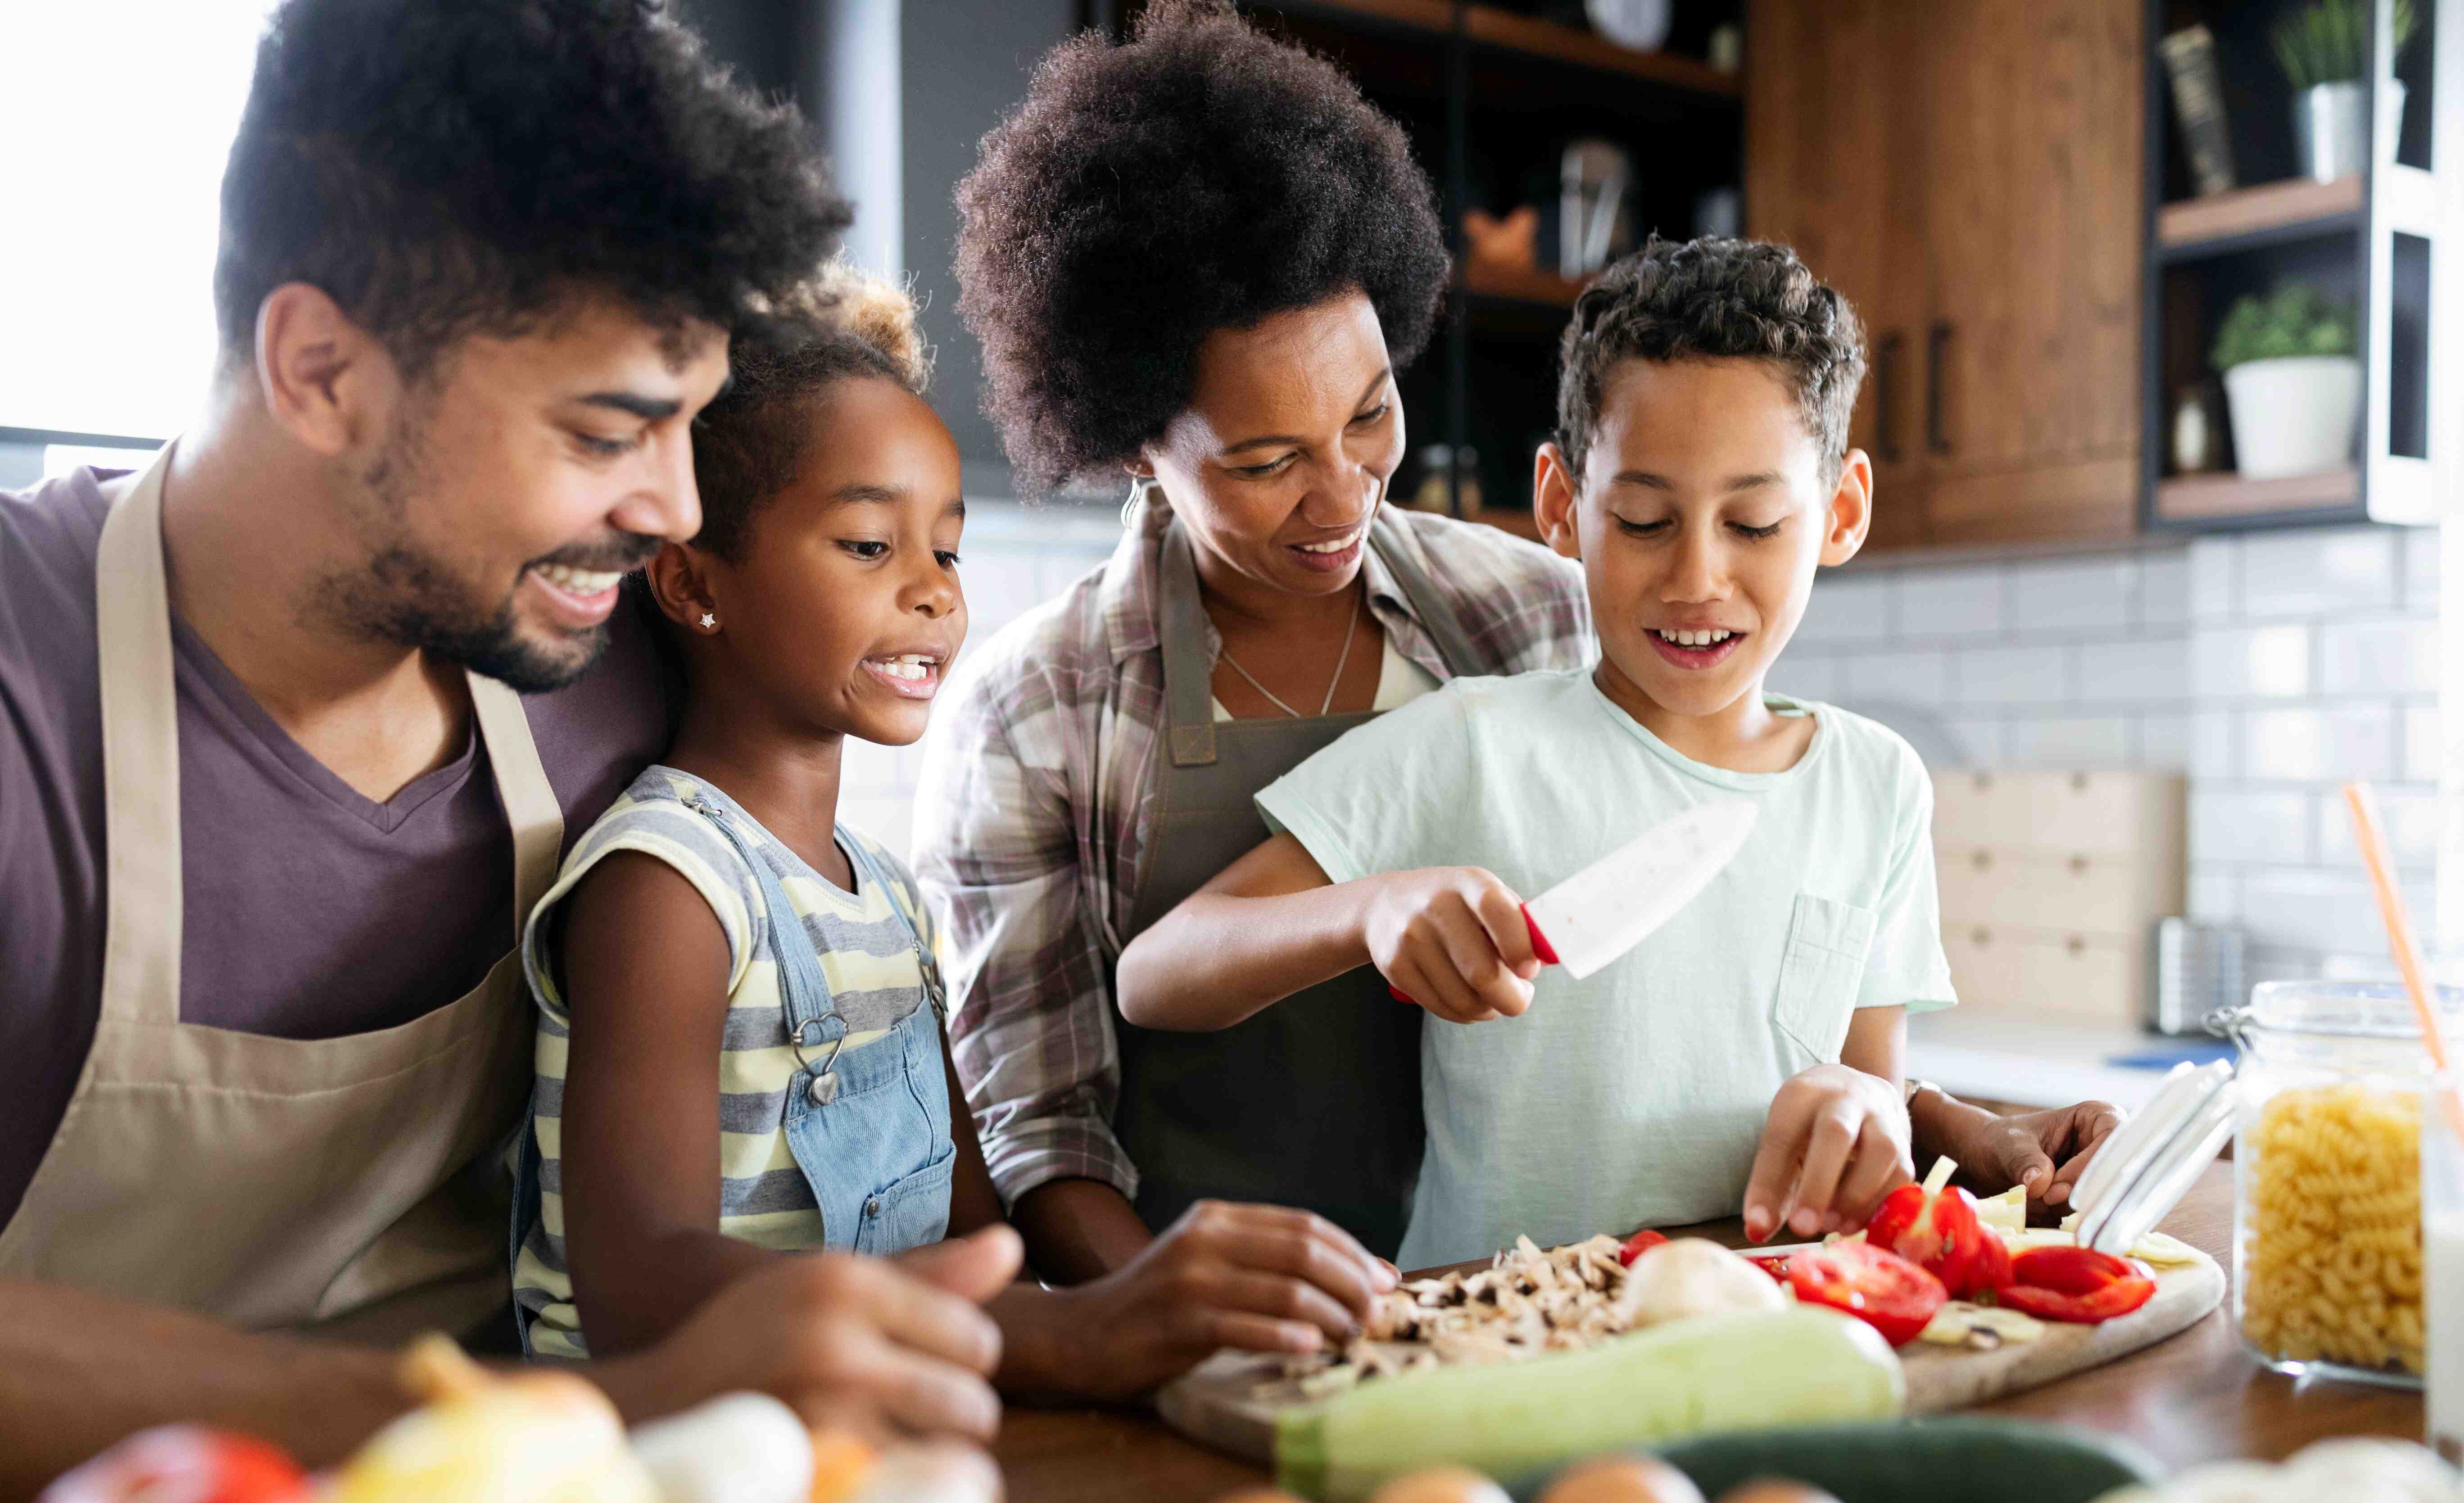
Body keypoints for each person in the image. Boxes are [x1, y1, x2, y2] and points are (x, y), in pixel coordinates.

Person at [0, 2, 1008, 1491]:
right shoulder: (27, 696)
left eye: (693, 428)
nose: (675, 512)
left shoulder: (611, 653)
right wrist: (599, 1401)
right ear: (323, 371)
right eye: (606, 434)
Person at [1115, 237, 2121, 1269]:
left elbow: (1870, 1080)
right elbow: (1156, 974)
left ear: (1843, 513)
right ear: (1562, 505)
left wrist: (1875, 1111)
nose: (1697, 575)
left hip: (1761, 1323)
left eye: (1756, 523)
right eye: (1643, 520)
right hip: (1497, 1333)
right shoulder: (1475, 743)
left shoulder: (1877, 784)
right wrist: (1367, 912)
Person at [522, 269, 1394, 1396]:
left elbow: (978, 1242)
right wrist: (1073, 1338)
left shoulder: (883, 894)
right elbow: (639, 1292)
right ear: (695, 583)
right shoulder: (667, 889)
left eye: (947, 549)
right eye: (870, 547)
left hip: (871, 1434)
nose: (936, 594)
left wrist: (1143, 1314)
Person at [916, 0, 1596, 1328]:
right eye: (1266, 461)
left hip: (1521, 1306)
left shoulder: (1534, 620)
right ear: (1133, 446)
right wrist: (1169, 1321)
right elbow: (1036, 1124)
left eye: (1369, 413)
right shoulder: (1032, 709)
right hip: (1200, 1331)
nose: (1342, 496)